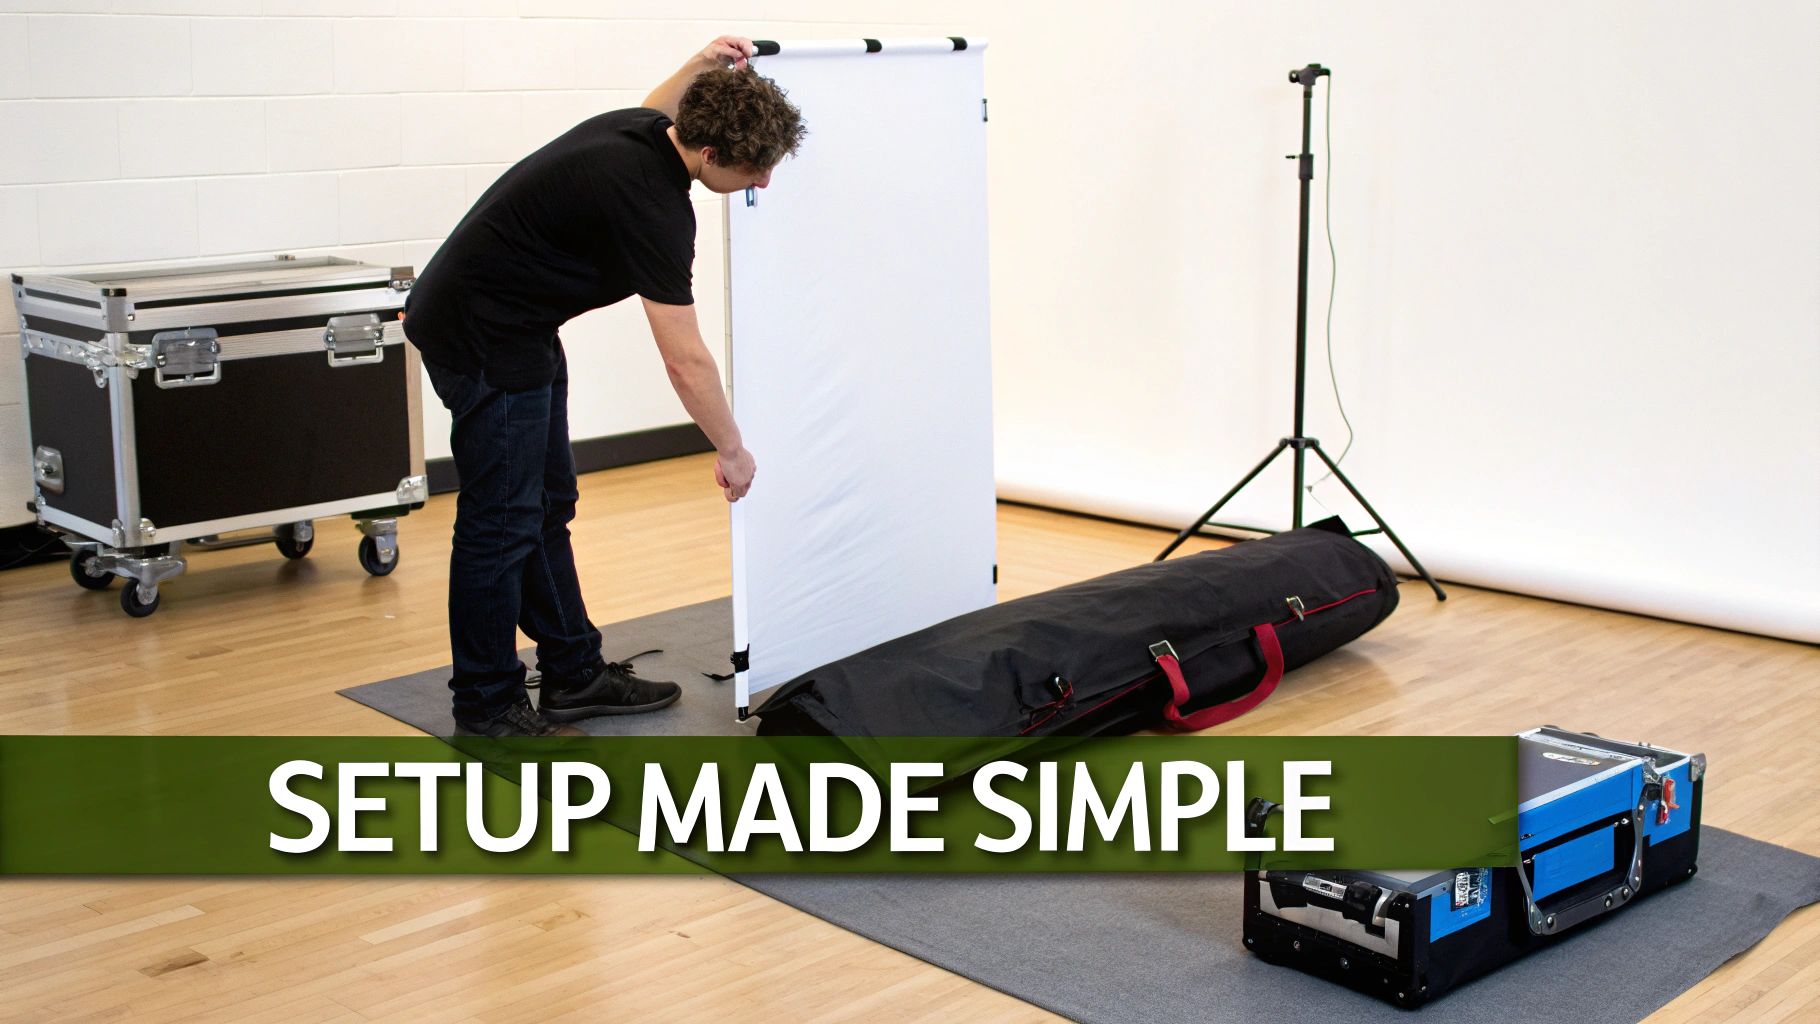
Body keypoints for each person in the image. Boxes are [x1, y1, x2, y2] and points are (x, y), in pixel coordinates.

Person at [401, 36, 806, 738]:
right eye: (753, 169)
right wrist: (732, 449)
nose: (763, 183)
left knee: (547, 502)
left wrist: (700, 63)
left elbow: (662, 100)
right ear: (709, 154)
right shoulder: (656, 205)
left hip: (518, 326)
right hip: (481, 333)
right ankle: (487, 705)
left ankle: (572, 674)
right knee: (499, 526)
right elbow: (686, 361)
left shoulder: (647, 130)